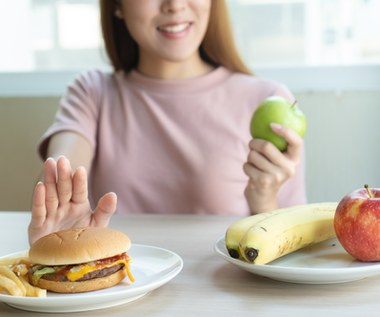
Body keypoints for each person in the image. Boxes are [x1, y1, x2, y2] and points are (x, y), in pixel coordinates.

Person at [28, 0, 306, 244]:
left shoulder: (269, 98)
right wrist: (60, 220)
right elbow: (61, 176)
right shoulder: (92, 92)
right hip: (120, 290)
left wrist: (264, 201)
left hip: (225, 295)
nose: (174, 4)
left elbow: (292, 244)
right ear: (116, 5)